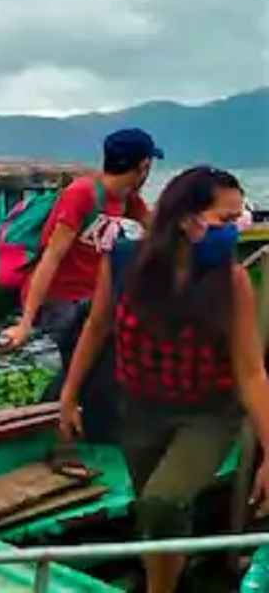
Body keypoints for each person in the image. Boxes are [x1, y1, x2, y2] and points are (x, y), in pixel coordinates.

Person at [58, 166, 269, 593]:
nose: (234, 231)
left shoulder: (231, 281)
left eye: (237, 221)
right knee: (153, 517)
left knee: (162, 502)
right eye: (225, 220)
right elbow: (96, 328)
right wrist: (69, 394)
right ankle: (165, 584)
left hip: (207, 415)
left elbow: (251, 373)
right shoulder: (122, 263)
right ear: (186, 220)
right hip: (139, 408)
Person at [1, 128, 159, 442]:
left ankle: (54, 416)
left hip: (92, 299)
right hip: (58, 300)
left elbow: (159, 235)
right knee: (93, 357)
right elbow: (51, 258)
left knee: (100, 353)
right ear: (143, 167)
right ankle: (59, 422)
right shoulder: (83, 194)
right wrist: (25, 322)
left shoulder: (129, 201)